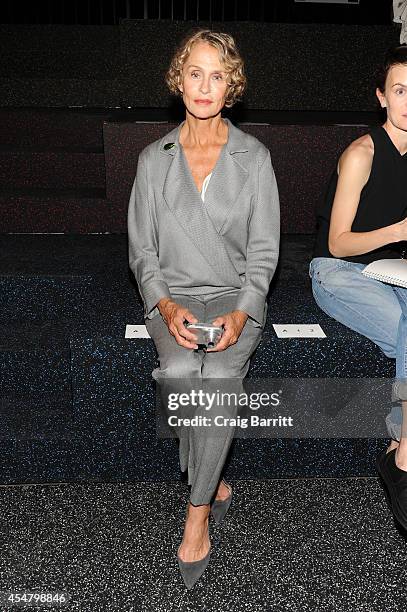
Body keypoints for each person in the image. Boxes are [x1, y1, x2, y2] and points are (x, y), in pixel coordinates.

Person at [127, 29, 280, 588]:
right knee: (178, 369)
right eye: (195, 72)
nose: (204, 85)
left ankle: (197, 515)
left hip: (233, 298)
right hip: (173, 298)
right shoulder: (152, 159)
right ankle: (208, 474)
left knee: (216, 374)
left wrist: (243, 310)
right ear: (179, 79)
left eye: (218, 74)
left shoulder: (254, 158)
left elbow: (264, 252)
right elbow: (143, 252)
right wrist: (165, 308)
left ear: (231, 84)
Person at [309, 45, 407, 529]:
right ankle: (402, 447)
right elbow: (339, 242)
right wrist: (398, 231)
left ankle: (402, 451)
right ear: (381, 97)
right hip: (339, 271)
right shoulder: (362, 153)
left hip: (397, 272)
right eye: (400, 90)